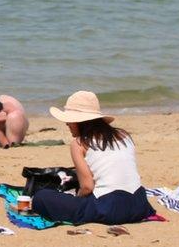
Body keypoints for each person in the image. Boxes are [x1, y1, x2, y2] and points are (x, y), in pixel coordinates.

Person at [31, 91, 155, 224]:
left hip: (111, 208)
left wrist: (77, 199)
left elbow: (87, 187)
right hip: (140, 204)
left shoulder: (79, 144)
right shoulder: (123, 135)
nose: (67, 124)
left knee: (41, 197)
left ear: (80, 122)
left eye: (69, 121)